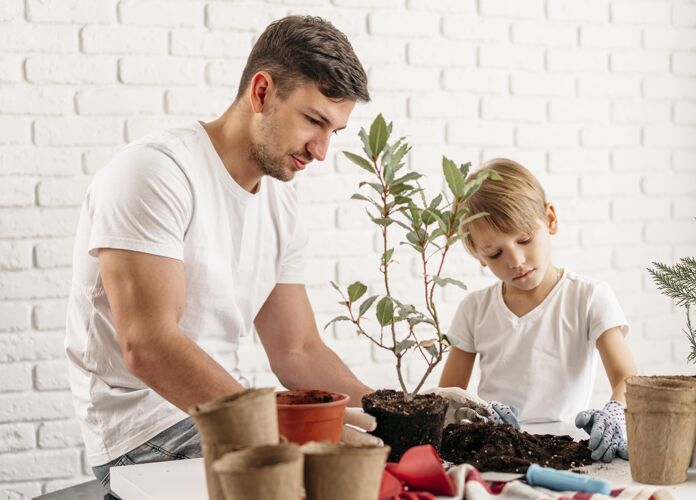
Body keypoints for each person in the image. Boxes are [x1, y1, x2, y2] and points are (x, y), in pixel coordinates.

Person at [65, 15, 380, 493]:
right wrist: (290, 429)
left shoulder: (282, 203)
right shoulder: (155, 172)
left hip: (227, 414)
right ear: (261, 92)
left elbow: (298, 350)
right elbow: (147, 345)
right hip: (145, 433)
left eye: (334, 130)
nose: (321, 151)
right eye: (314, 121)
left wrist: (392, 414)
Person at [437, 158, 638, 463]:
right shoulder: (474, 309)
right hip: (496, 451)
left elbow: (627, 378)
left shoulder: (589, 297)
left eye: (525, 239)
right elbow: (449, 396)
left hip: (569, 450)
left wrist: (614, 413)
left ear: (550, 219)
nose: (515, 259)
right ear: (478, 254)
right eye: (495, 253)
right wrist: (473, 417)